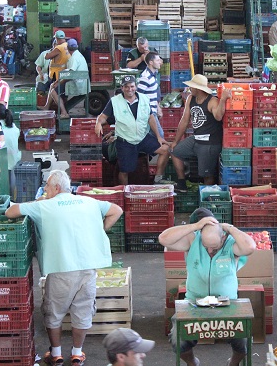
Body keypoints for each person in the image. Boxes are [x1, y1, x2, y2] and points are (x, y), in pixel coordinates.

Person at [4, 170, 123, 366]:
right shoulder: (88, 202)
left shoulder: (44, 206)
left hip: (61, 268)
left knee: (54, 312)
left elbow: (11, 212)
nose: (45, 190)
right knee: (82, 311)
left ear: (56, 188)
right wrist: (98, 230)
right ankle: (77, 353)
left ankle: (56, 353)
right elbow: (116, 210)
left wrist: (37, 201)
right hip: (88, 267)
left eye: (47, 187)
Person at [159, 207, 256, 366]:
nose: (210, 250)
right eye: (206, 246)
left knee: (244, 339)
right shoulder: (193, 240)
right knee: (178, 339)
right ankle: (192, 363)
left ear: (223, 237)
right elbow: (164, 238)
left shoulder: (231, 244)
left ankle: (234, 362)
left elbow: (250, 247)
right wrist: (195, 226)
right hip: (194, 302)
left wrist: (230, 228)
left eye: (214, 246)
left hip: (228, 304)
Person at [94, 75, 171, 185]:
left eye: (132, 86)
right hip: (125, 141)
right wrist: (98, 123)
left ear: (136, 86)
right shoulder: (115, 101)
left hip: (142, 137)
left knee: (165, 150)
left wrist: (158, 136)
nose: (130, 89)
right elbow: (103, 116)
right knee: (124, 171)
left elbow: (151, 118)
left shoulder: (144, 99)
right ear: (122, 87)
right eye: (126, 87)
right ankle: (124, 191)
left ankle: (158, 180)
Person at [169, 75, 231, 188]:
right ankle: (182, 183)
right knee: (175, 152)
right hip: (196, 138)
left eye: (191, 87)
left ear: (198, 89)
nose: (189, 89)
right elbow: (184, 121)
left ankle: (208, 194)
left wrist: (223, 100)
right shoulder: (190, 99)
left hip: (209, 143)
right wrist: (175, 141)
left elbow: (218, 116)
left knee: (206, 175)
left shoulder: (212, 101)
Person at [136, 51, 171, 184]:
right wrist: (149, 115)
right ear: (150, 62)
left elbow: (153, 95)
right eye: (157, 60)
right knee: (161, 141)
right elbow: (138, 97)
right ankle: (157, 177)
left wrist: (158, 107)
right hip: (148, 116)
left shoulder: (153, 75)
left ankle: (147, 160)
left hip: (153, 113)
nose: (160, 62)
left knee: (159, 142)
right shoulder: (145, 77)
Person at [41, 39, 90, 118]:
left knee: (54, 92)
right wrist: (57, 81)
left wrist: (59, 83)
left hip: (77, 83)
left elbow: (70, 75)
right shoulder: (78, 55)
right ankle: (46, 107)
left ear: (67, 48)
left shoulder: (74, 58)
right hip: (80, 80)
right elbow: (69, 73)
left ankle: (64, 113)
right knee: (52, 85)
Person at [0, 103, 20, 199]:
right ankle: (12, 198)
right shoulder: (14, 126)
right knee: (12, 179)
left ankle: (7, 199)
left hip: (3, 160)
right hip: (15, 157)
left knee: (6, 182)